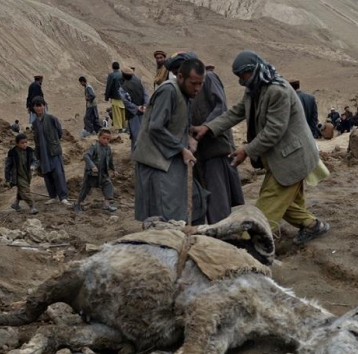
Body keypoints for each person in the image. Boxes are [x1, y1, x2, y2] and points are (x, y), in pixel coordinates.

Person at [192, 51, 329, 245]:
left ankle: (250, 244)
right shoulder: (254, 88)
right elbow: (236, 112)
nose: (240, 81)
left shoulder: (277, 91)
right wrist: (209, 127)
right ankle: (313, 226)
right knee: (285, 203)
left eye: (242, 76)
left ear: (253, 70)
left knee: (267, 206)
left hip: (291, 158)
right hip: (279, 159)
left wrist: (246, 150)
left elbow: (274, 131)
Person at [133, 57, 208, 223]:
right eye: (193, 83)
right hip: (156, 161)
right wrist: (182, 149)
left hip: (169, 157)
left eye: (200, 84)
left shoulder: (185, 93)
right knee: (164, 213)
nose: (197, 89)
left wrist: (188, 136)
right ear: (180, 77)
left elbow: (177, 122)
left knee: (191, 202)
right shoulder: (168, 91)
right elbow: (156, 127)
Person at [185, 53, 245, 223]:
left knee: (220, 197)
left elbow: (221, 107)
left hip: (216, 147)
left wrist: (206, 127)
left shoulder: (209, 78)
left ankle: (225, 232)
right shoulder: (183, 89)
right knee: (206, 195)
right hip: (199, 152)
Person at [31, 97, 70, 205]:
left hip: (53, 150)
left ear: (44, 106)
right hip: (42, 153)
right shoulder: (34, 123)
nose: (39, 108)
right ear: (34, 108)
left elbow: (59, 132)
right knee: (47, 174)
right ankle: (52, 196)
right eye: (36, 106)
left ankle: (63, 197)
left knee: (58, 173)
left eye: (40, 105)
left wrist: (54, 142)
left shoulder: (51, 118)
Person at [74, 128, 118, 213]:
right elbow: (86, 156)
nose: (106, 141)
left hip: (103, 173)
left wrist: (114, 169)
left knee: (108, 185)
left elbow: (110, 161)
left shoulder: (108, 149)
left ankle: (106, 204)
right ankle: (77, 204)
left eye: (108, 139)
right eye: (104, 138)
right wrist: (92, 166)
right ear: (99, 137)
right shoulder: (94, 146)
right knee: (85, 189)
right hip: (92, 174)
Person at [5, 133, 38, 214]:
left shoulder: (30, 151)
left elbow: (35, 161)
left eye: (26, 142)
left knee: (22, 190)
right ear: (17, 143)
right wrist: (7, 179)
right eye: (22, 143)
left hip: (27, 175)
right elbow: (7, 166)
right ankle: (32, 206)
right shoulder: (12, 152)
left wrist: (33, 166)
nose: (24, 144)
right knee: (25, 190)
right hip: (17, 175)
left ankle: (16, 204)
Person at [120, 67, 148, 152]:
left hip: (133, 114)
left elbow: (125, 101)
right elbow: (146, 94)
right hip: (143, 111)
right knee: (143, 133)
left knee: (136, 135)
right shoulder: (139, 82)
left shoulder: (123, 87)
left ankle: (138, 155)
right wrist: (145, 105)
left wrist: (136, 108)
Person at [104, 62, 125, 131]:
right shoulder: (123, 75)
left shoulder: (111, 75)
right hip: (123, 97)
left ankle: (119, 128)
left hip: (116, 97)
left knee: (117, 114)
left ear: (112, 67)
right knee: (123, 113)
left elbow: (109, 86)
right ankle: (124, 127)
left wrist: (107, 97)